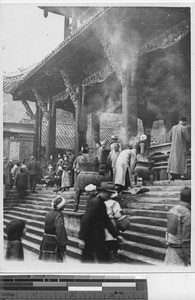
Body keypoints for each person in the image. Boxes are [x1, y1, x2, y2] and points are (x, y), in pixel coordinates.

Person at [79, 182, 118, 263]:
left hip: (98, 238)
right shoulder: (95, 203)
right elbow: (86, 220)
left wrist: (116, 235)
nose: (110, 195)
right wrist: (82, 239)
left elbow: (107, 221)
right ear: (103, 192)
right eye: (109, 193)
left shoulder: (101, 203)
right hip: (92, 239)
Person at [164, 186, 191, 266]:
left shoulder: (172, 209)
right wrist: (188, 259)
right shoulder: (186, 214)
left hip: (170, 251)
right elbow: (186, 240)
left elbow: (167, 232)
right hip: (179, 253)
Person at [39, 196, 68, 262]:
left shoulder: (49, 213)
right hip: (54, 242)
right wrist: (63, 243)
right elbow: (60, 230)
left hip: (46, 240)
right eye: (64, 205)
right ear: (61, 206)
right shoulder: (59, 215)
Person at [104, 197, 123, 262]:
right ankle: (113, 255)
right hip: (111, 221)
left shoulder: (100, 202)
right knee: (113, 238)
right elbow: (118, 215)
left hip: (101, 222)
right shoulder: (114, 203)